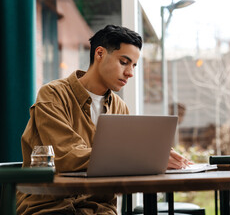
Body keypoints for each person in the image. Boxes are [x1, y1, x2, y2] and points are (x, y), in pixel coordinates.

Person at [16, 25, 191, 215]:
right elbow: (67, 156)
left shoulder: (119, 107)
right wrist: (139, 156)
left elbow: (128, 152)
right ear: (99, 54)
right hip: (50, 207)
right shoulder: (53, 95)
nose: (130, 73)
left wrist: (156, 154)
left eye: (133, 65)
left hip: (99, 208)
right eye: (124, 62)